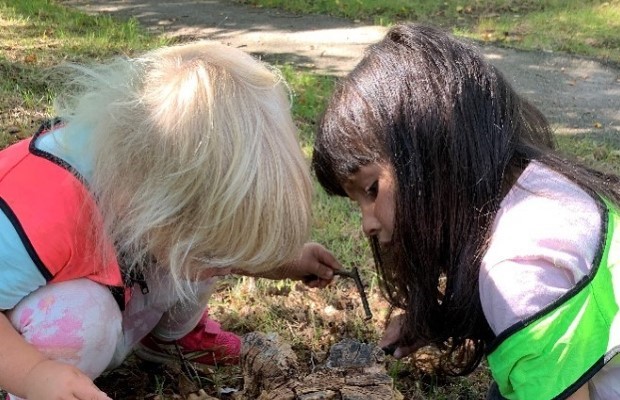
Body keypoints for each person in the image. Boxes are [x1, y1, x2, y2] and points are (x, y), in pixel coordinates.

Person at [0, 40, 340, 400]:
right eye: (218, 256)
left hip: (118, 276)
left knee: (188, 261)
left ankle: (165, 343)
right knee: (85, 320)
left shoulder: (150, 187)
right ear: (156, 204)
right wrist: (35, 374)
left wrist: (280, 258)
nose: (227, 270)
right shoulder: (44, 210)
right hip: (26, 331)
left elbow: (211, 246)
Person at [311, 23, 620, 400]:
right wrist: (433, 324)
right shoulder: (542, 191)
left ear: (435, 157)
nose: (366, 224)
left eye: (372, 189)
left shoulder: (518, 270)